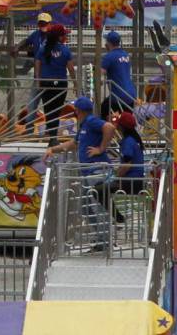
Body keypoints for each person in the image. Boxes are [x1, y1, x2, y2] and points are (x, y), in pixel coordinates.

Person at [44, 96, 116, 252]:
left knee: (95, 205)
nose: (74, 112)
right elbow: (73, 144)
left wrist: (101, 148)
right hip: (88, 171)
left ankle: (105, 240)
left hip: (96, 170)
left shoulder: (91, 121)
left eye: (75, 109)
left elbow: (109, 127)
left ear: (79, 111)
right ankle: (102, 237)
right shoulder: (83, 126)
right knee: (85, 206)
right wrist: (53, 149)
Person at [34, 23, 75, 138]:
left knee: (48, 109)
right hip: (60, 84)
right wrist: (75, 83)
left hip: (46, 83)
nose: (66, 37)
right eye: (64, 35)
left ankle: (50, 132)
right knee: (57, 110)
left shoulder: (43, 49)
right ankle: (53, 135)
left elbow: (37, 65)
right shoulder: (65, 50)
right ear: (59, 37)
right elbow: (71, 69)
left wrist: (38, 81)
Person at [15, 12, 51, 128]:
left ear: (49, 24)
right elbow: (26, 41)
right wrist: (17, 48)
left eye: (44, 23)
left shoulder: (53, 36)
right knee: (32, 104)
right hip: (38, 76)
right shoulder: (36, 34)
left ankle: (51, 129)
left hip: (51, 77)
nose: (42, 25)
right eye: (40, 23)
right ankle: (29, 128)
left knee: (49, 105)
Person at [100, 30, 137, 120]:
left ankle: (107, 127)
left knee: (103, 110)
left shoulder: (108, 57)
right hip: (131, 94)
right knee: (126, 121)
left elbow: (100, 75)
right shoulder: (125, 54)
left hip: (118, 96)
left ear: (108, 43)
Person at [112, 111, 146, 194]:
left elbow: (127, 165)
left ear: (121, 127)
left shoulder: (128, 142)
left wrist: (116, 178)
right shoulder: (134, 139)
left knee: (99, 190)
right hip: (137, 181)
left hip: (131, 181)